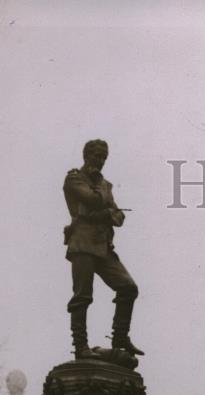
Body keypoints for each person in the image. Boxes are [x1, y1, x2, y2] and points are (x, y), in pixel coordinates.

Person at [63, 139, 141, 358]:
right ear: (86, 155)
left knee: (128, 288)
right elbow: (95, 200)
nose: (101, 160)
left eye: (104, 157)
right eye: (97, 156)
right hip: (83, 244)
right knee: (82, 296)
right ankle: (81, 347)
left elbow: (119, 216)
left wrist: (104, 212)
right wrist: (104, 208)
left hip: (104, 246)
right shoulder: (74, 178)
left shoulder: (105, 185)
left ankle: (119, 338)